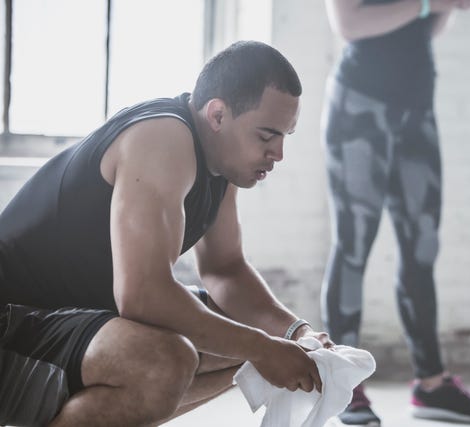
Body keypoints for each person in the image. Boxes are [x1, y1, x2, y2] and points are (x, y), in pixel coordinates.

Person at [0, 41, 334, 426]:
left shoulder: (221, 164)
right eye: (265, 136)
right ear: (218, 114)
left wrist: (296, 334)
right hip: (15, 320)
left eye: (285, 137)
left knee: (241, 334)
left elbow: (226, 271)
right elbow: (142, 296)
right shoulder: (162, 137)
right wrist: (263, 347)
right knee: (162, 362)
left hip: (74, 319)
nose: (278, 153)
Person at [320, 0, 470, 425]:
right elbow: (348, 23)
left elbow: (427, 28)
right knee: (353, 245)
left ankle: (431, 385)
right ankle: (344, 383)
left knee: (422, 249)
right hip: (359, 103)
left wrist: (449, 5)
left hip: (417, 105)